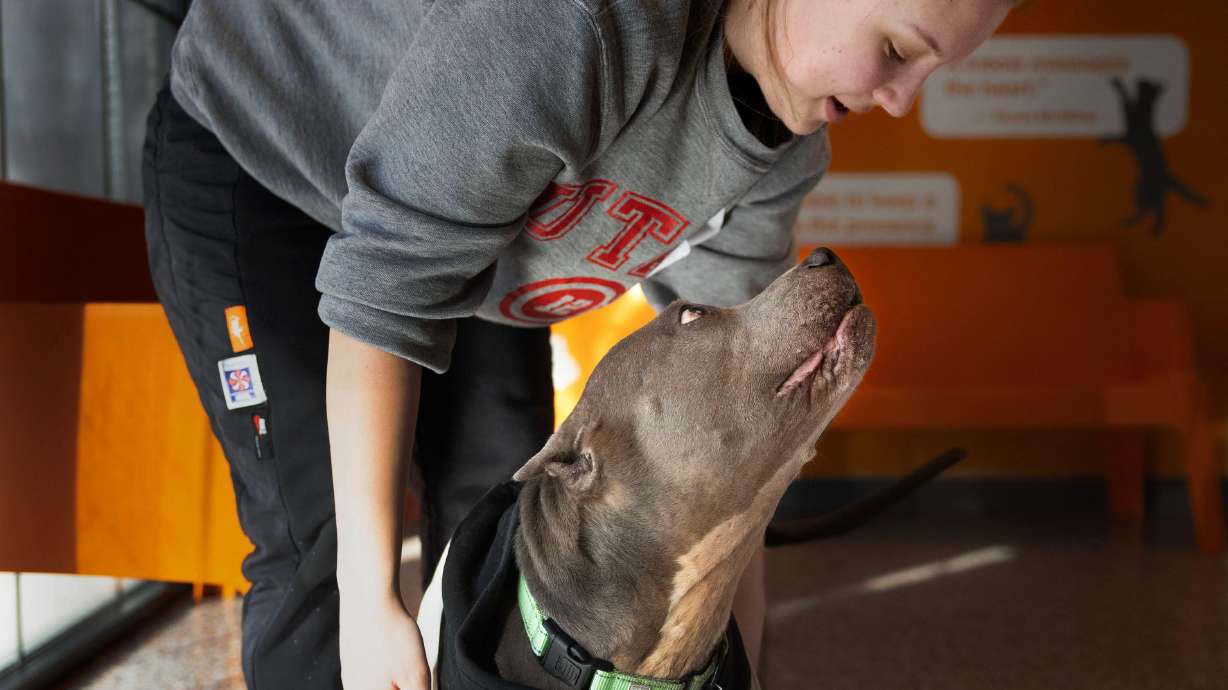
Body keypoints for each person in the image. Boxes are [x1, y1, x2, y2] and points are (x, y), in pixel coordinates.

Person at [141, 0, 1013, 687]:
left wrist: (738, 663)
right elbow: (383, 289)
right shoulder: (583, 24)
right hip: (270, 158)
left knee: (502, 514)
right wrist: (374, 608)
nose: (900, 101)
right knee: (324, 566)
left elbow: (739, 442)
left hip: (472, 238)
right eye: (899, 52)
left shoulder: (781, 154)